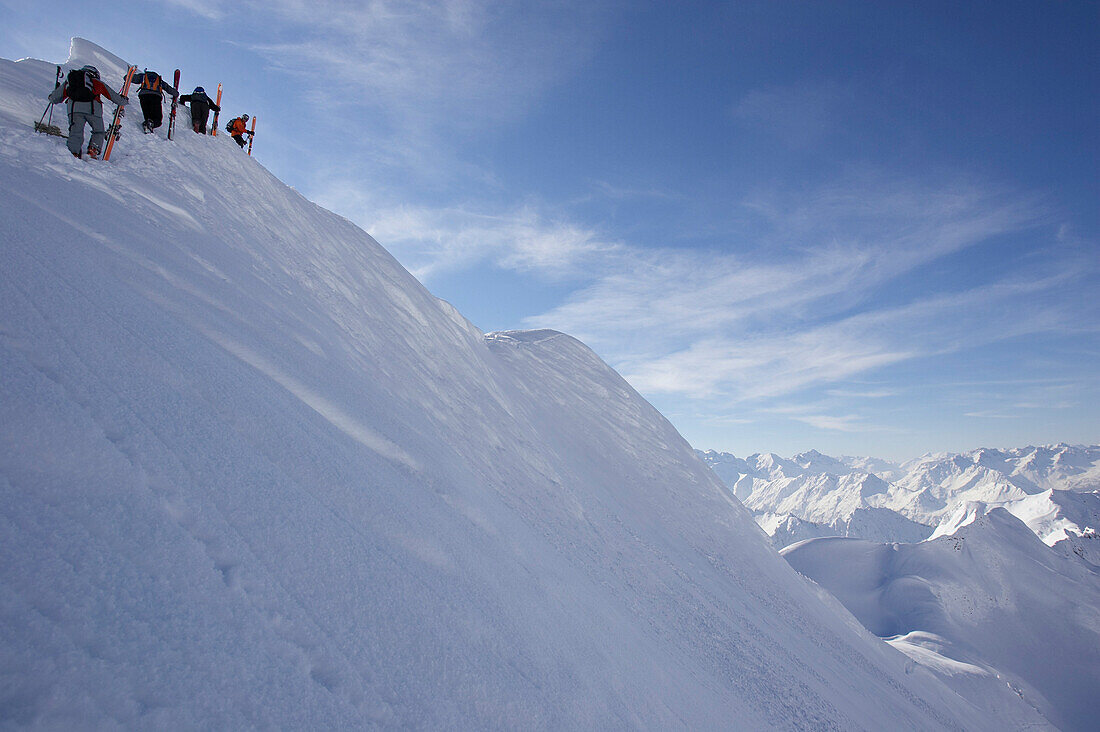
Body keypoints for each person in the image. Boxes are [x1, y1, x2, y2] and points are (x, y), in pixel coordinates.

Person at [47, 65, 128, 159]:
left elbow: (54, 98)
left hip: (74, 110)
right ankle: (93, 149)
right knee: (98, 131)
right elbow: (115, 97)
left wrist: (53, 94)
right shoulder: (96, 82)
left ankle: (73, 153)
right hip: (93, 110)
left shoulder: (71, 81)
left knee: (75, 131)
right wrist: (124, 100)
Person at [130, 69, 177, 133]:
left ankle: (148, 124)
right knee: (158, 119)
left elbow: (130, 78)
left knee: (147, 115)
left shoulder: (144, 76)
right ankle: (150, 125)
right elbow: (168, 88)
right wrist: (176, 93)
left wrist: (127, 77)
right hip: (155, 97)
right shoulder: (159, 80)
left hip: (144, 96)